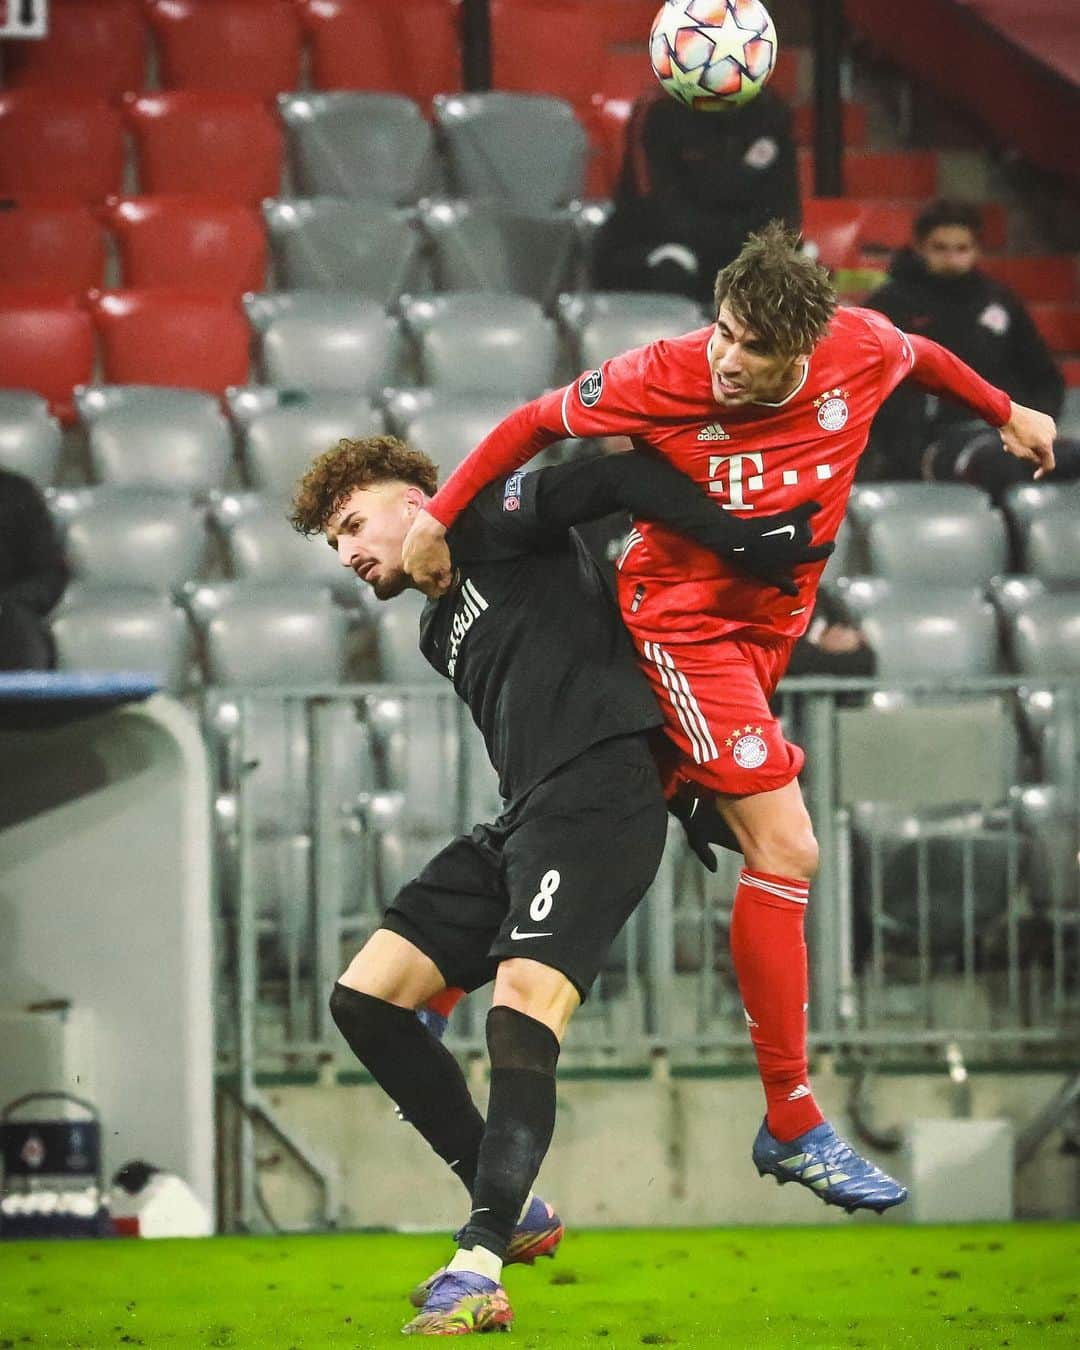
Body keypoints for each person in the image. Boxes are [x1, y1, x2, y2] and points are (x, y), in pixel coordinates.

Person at [400, 222, 1057, 1217]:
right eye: (726, 333)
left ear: (811, 346)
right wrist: (437, 515)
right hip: (683, 627)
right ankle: (791, 1117)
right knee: (787, 847)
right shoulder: (662, 373)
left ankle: (442, 984)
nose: (732, 360)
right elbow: (533, 424)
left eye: (758, 350)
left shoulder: (862, 347)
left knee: (611, 804)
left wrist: (1008, 409)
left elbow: (921, 356)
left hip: (769, 634)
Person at [289, 434, 830, 1337]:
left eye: (352, 524)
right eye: (333, 543)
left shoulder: (497, 517)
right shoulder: (434, 627)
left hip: (597, 802)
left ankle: (479, 1261)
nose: (348, 553)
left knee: (521, 1008)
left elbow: (615, 477)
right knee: (366, 1000)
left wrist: (745, 539)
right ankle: (514, 1205)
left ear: (417, 495)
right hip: (523, 817)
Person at [864, 198, 1068, 494]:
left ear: (977, 249)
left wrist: (1034, 426)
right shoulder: (890, 306)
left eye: (962, 249)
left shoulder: (1000, 302)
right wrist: (903, 446)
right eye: (941, 248)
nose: (953, 258)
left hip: (1007, 431)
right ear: (920, 247)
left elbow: (1045, 378)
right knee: (999, 465)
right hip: (935, 444)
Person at [593, 86, 800, 306]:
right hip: (656, 243)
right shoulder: (660, 110)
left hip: (737, 246)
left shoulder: (771, 112)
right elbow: (655, 210)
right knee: (673, 270)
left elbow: (784, 212)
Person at [0, 467, 68, 671]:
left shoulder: (16, 493)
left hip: (8, 621)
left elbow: (49, 575)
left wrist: (6, 604)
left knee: (20, 630)